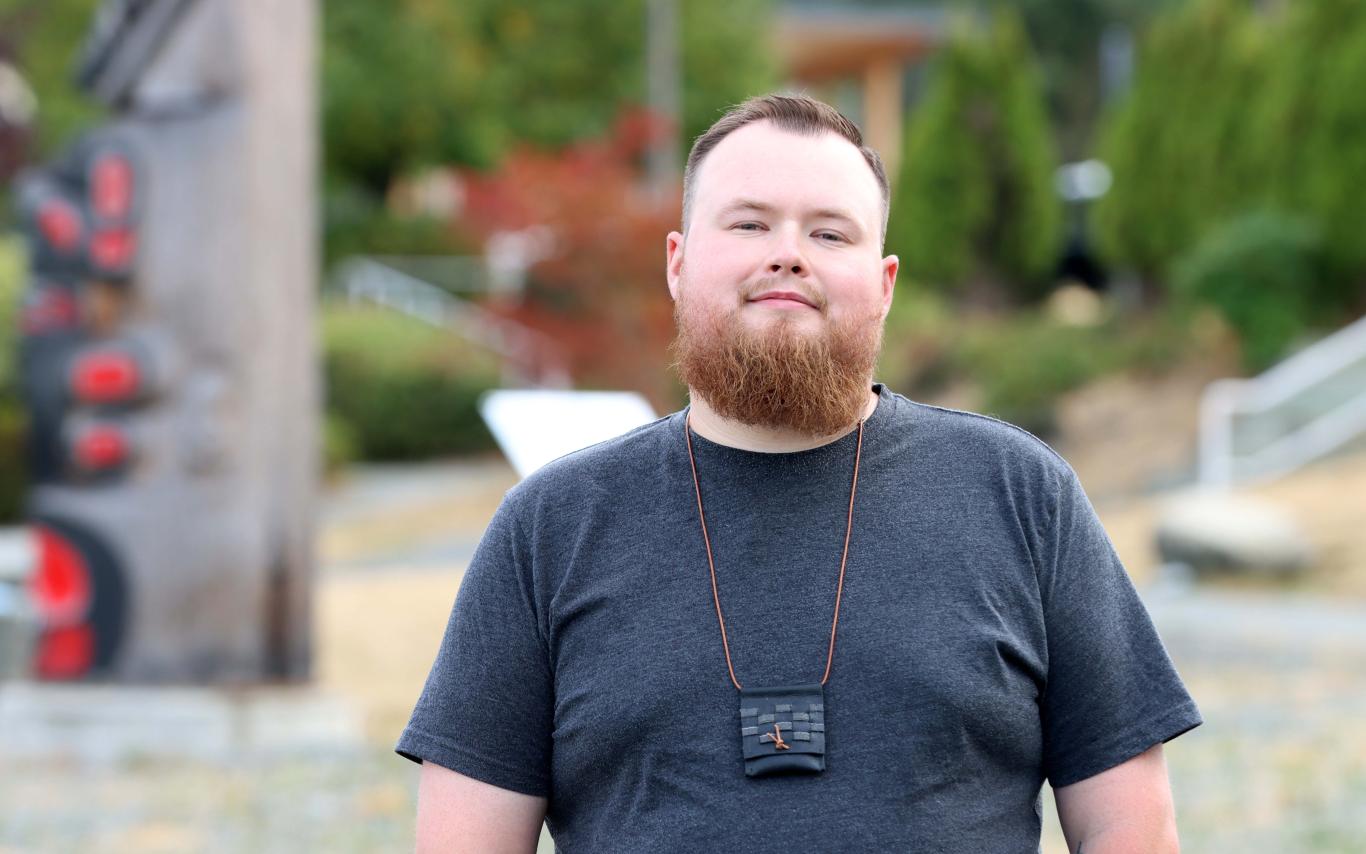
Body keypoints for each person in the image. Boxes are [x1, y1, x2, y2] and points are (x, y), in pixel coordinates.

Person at [397, 93, 1201, 853]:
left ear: (883, 285)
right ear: (678, 264)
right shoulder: (551, 526)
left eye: (829, 234)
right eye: (749, 224)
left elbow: (1131, 831)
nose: (787, 255)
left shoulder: (1023, 496)